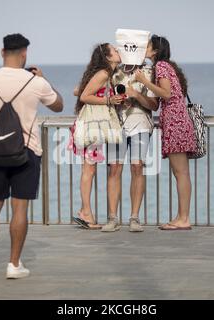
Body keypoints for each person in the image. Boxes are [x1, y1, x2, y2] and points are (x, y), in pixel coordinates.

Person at [0, 33, 63, 279]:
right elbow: (59, 105)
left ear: (2, 52)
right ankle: (13, 265)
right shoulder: (35, 83)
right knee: (19, 208)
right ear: (25, 54)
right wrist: (45, 80)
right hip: (27, 152)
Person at [134, 35, 196, 230]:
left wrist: (143, 81)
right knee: (181, 173)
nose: (144, 49)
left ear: (155, 50)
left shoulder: (160, 67)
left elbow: (166, 93)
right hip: (179, 121)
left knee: (181, 173)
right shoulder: (169, 66)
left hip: (175, 122)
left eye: (148, 46)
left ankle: (184, 218)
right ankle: (181, 216)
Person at [102, 29, 158, 233]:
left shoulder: (148, 72)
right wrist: (114, 100)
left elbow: (153, 105)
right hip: (117, 124)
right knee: (114, 170)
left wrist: (136, 95)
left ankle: (134, 217)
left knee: (137, 167)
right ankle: (112, 218)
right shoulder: (113, 72)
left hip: (140, 123)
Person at [69, 43, 123, 230]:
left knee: (89, 169)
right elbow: (84, 96)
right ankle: (85, 211)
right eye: (115, 50)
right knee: (89, 169)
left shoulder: (107, 74)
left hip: (94, 126)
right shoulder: (103, 74)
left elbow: (77, 90)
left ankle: (86, 212)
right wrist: (108, 100)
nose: (119, 52)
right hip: (93, 126)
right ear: (108, 57)